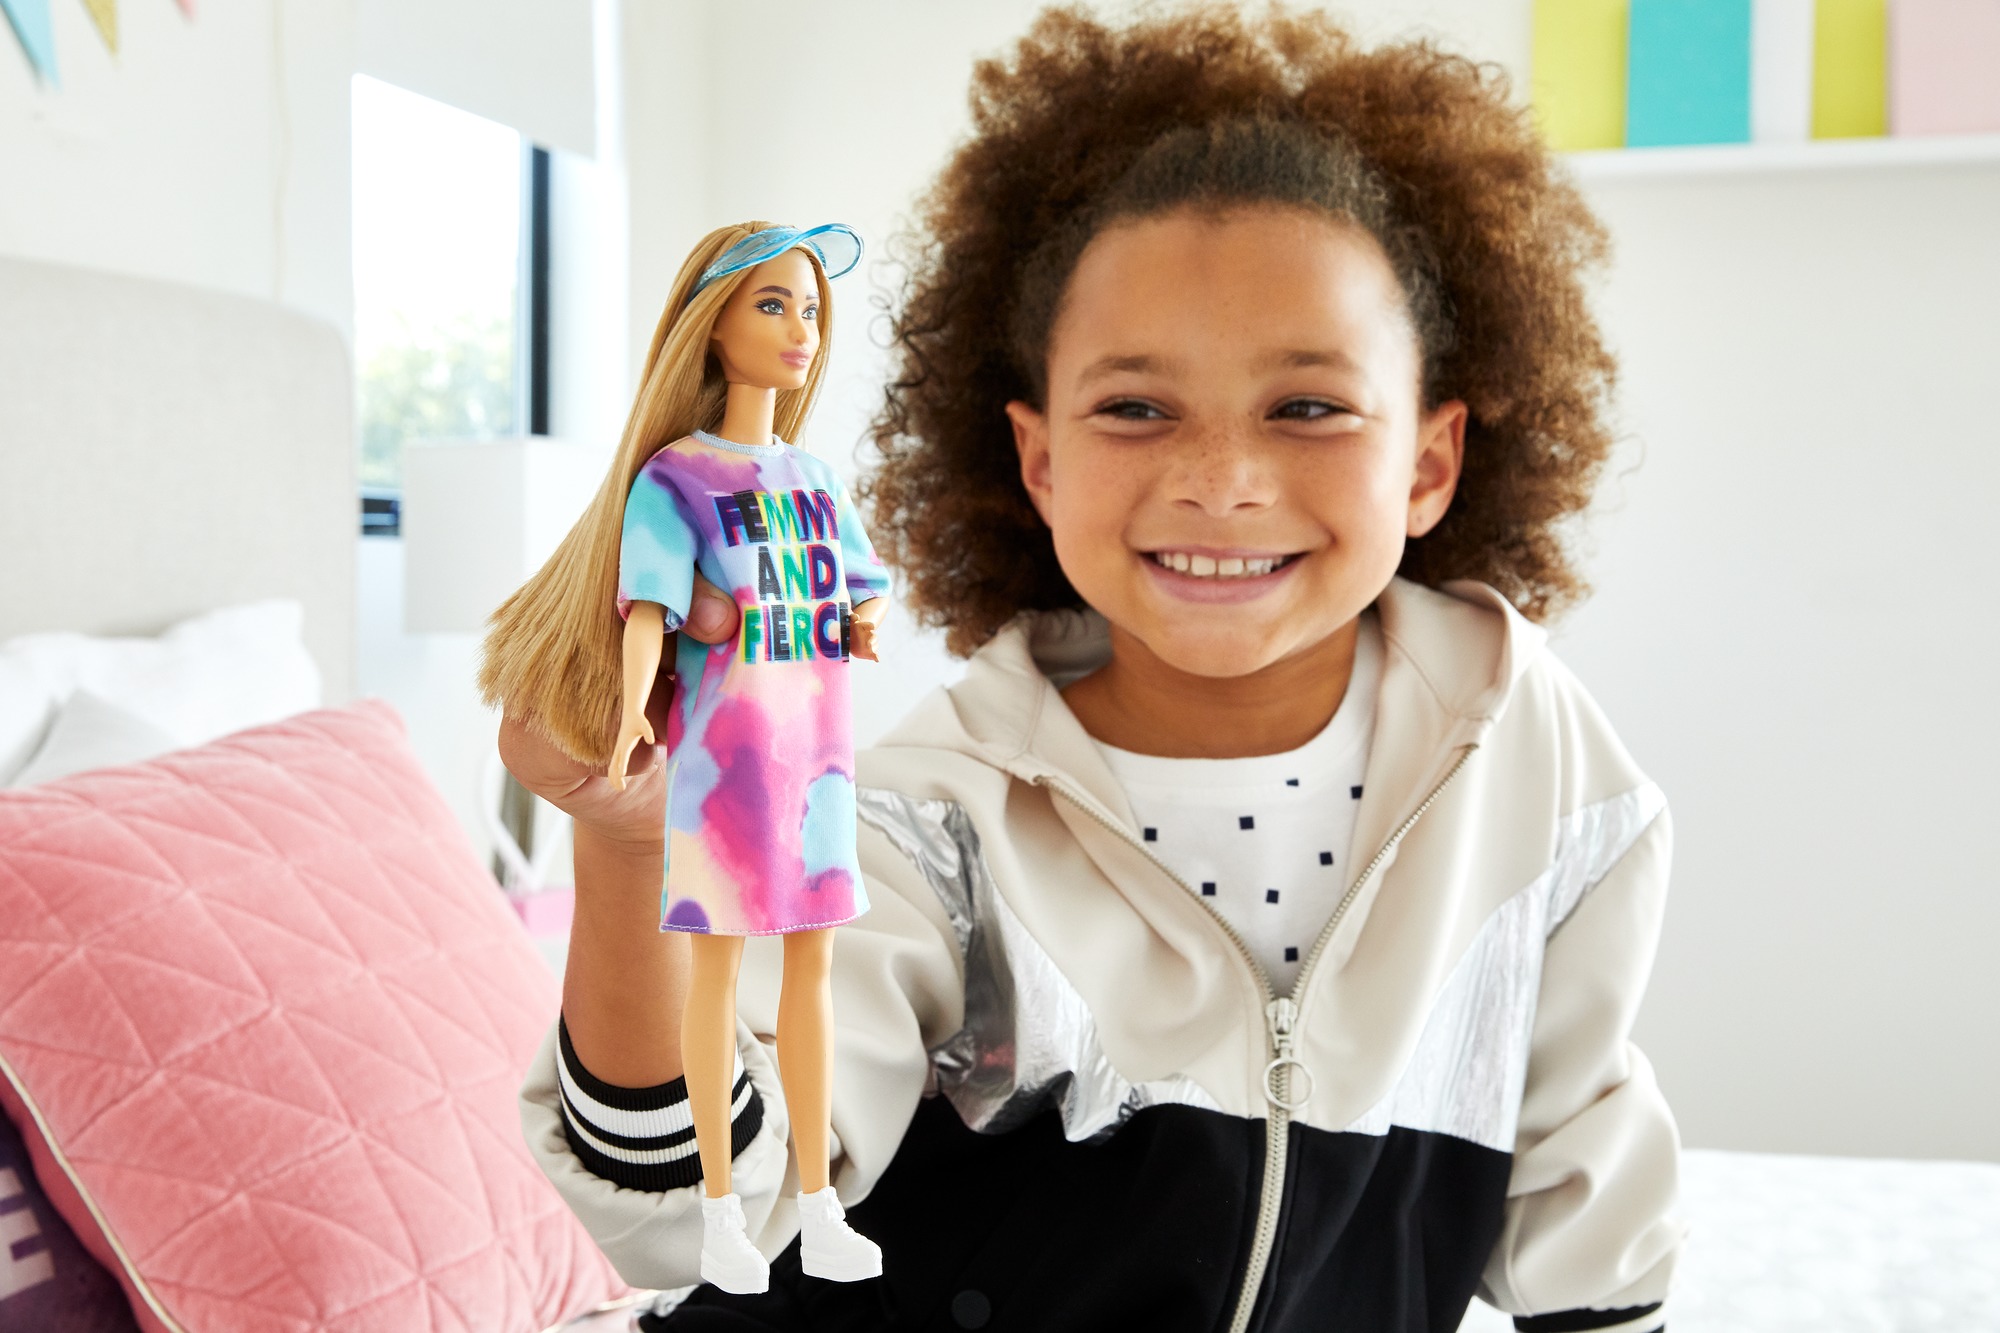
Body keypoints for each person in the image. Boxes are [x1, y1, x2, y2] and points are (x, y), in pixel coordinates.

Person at [507, 7, 1686, 1331]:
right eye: (1135, 407)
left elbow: (1587, 1217)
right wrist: (625, 846)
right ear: (1040, 461)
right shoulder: (930, 818)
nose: (1221, 482)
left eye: (1307, 407)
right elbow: (682, 1214)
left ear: (1428, 462)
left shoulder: (1544, 771)